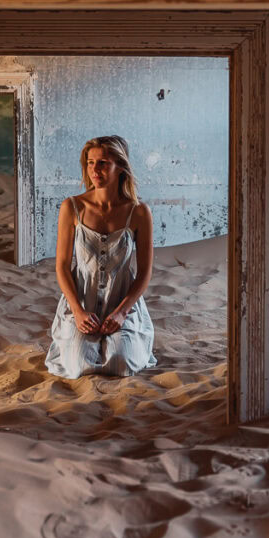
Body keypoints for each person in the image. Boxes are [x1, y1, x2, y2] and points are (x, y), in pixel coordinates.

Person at [45, 135, 157, 379]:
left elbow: (145, 272)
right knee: (77, 365)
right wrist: (77, 310)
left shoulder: (138, 212)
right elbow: (62, 267)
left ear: (120, 167)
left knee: (121, 363)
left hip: (121, 302)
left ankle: (126, 338)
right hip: (82, 302)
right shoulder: (72, 207)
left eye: (103, 163)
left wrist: (121, 312)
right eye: (90, 162)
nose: (95, 169)